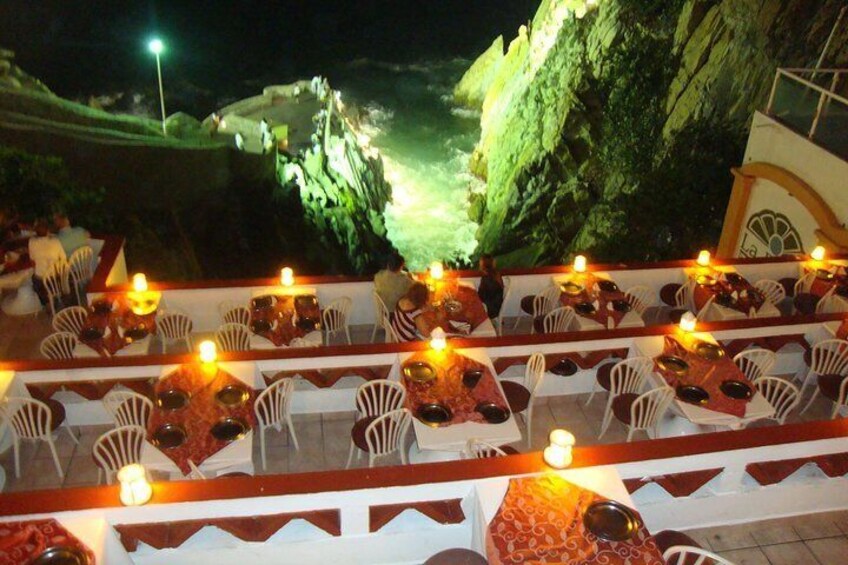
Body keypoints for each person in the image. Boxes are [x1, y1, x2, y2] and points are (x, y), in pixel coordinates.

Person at [28, 220, 66, 305]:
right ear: (48, 231)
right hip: (54, 277)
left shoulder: (32, 242)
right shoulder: (55, 241)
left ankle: (45, 302)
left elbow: (32, 260)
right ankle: (54, 297)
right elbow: (63, 258)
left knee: (33, 279)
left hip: (40, 278)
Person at [477, 253, 504, 319]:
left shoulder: (487, 278)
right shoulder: (495, 274)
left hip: (491, 309)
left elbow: (482, 296)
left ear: (482, 264)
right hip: (495, 306)